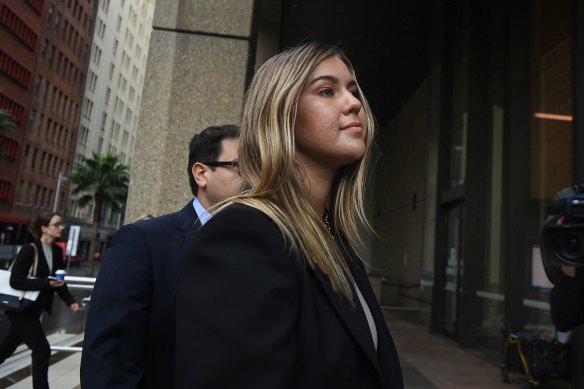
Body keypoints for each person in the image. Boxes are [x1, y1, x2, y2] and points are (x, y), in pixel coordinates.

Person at [175, 43, 404, 388]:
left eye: (354, 91)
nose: (354, 103)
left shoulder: (331, 236)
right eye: (327, 91)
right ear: (280, 113)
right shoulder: (245, 233)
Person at [80, 125, 241, 389]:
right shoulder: (142, 242)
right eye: (241, 166)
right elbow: (109, 360)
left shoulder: (268, 244)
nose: (257, 177)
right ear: (202, 173)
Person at [0, 212, 79, 389]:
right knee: (42, 351)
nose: (61, 228)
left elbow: (58, 281)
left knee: (5, 349)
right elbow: (16, 280)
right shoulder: (29, 250)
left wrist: (69, 301)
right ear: (44, 228)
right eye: (57, 224)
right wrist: (44, 283)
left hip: (34, 310)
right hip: (21, 310)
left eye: (61, 225)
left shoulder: (57, 251)